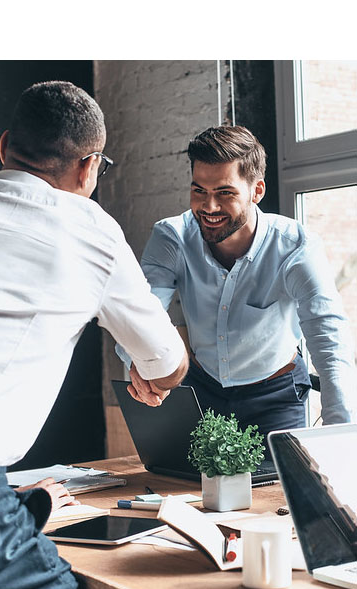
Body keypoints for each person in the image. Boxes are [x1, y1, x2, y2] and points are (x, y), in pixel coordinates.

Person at [0, 81, 188, 589]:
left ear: (4, 147)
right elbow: (167, 365)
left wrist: (17, 503)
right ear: (90, 167)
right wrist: (149, 371)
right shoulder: (88, 228)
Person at [123, 125, 355, 452]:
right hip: (201, 390)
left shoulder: (295, 246)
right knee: (188, 494)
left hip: (275, 397)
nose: (209, 207)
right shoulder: (172, 237)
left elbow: (328, 337)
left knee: (281, 495)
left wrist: (341, 439)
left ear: (256, 190)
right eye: (199, 191)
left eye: (225, 193)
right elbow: (138, 313)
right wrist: (141, 366)